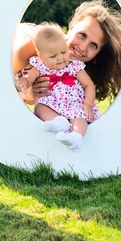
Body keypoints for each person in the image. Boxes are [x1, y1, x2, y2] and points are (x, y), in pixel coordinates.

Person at [0, 0, 121, 150]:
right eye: (82, 35)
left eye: (93, 45)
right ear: (71, 26)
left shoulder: (78, 67)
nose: (83, 47)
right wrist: (29, 92)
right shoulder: (35, 45)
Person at [15, 23, 101, 151]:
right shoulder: (40, 65)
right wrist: (22, 83)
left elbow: (88, 85)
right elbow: (28, 78)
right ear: (41, 57)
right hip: (51, 103)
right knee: (40, 107)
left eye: (63, 52)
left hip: (74, 102)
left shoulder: (74, 66)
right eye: (53, 56)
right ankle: (59, 123)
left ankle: (76, 136)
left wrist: (88, 104)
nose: (60, 58)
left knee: (80, 116)